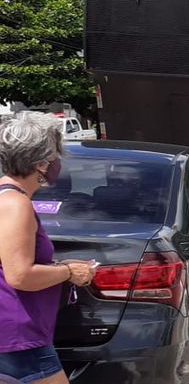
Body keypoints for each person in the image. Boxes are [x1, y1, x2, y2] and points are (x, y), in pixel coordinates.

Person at [0, 112, 96, 384]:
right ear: (41, 162)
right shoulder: (16, 205)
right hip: (19, 338)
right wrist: (67, 271)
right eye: (56, 156)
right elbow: (19, 275)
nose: (58, 163)